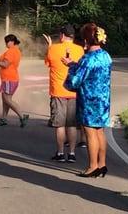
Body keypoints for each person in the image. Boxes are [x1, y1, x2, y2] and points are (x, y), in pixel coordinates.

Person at [63, 23, 111, 178]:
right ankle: (102, 164)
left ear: (86, 41)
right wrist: (74, 64)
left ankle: (92, 166)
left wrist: (71, 68)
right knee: (100, 131)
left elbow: (74, 82)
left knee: (90, 133)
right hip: (103, 99)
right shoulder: (106, 56)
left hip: (89, 100)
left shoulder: (87, 59)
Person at [44, 24, 84, 163]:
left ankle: (60, 153)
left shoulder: (53, 49)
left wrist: (49, 46)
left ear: (62, 35)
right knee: (72, 125)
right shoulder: (80, 50)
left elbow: (48, 63)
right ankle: (72, 153)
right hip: (74, 92)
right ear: (73, 36)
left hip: (58, 92)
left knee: (60, 125)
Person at [0, 34, 29, 127]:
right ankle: (3, 118)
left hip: (9, 79)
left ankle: (22, 116)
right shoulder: (15, 51)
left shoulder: (11, 52)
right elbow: (2, 61)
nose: (5, 44)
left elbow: (5, 64)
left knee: (7, 100)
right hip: (10, 79)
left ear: (12, 42)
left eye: (7, 42)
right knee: (5, 100)